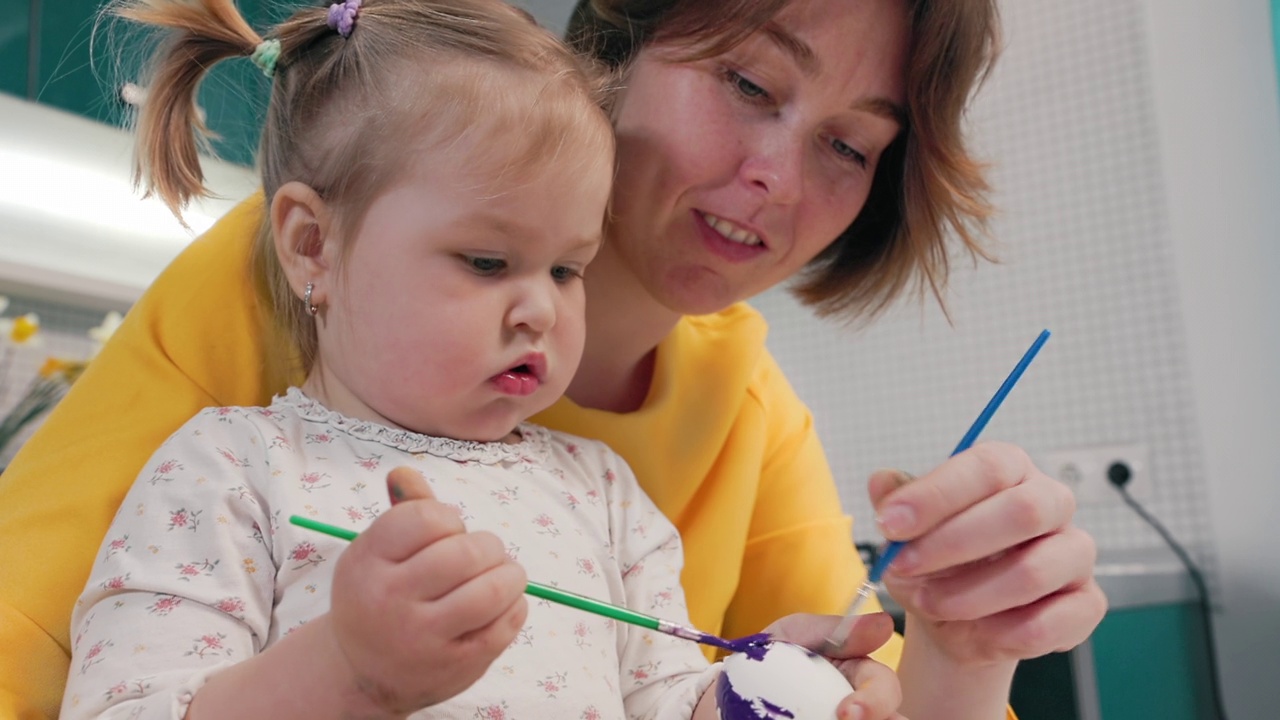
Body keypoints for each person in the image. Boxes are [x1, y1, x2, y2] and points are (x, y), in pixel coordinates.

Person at [0, 0, 1107, 717]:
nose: (776, 174)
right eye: (751, 84)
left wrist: (800, 687)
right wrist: (348, 669)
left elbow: (679, 686)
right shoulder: (235, 452)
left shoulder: (621, 488)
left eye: (848, 145)